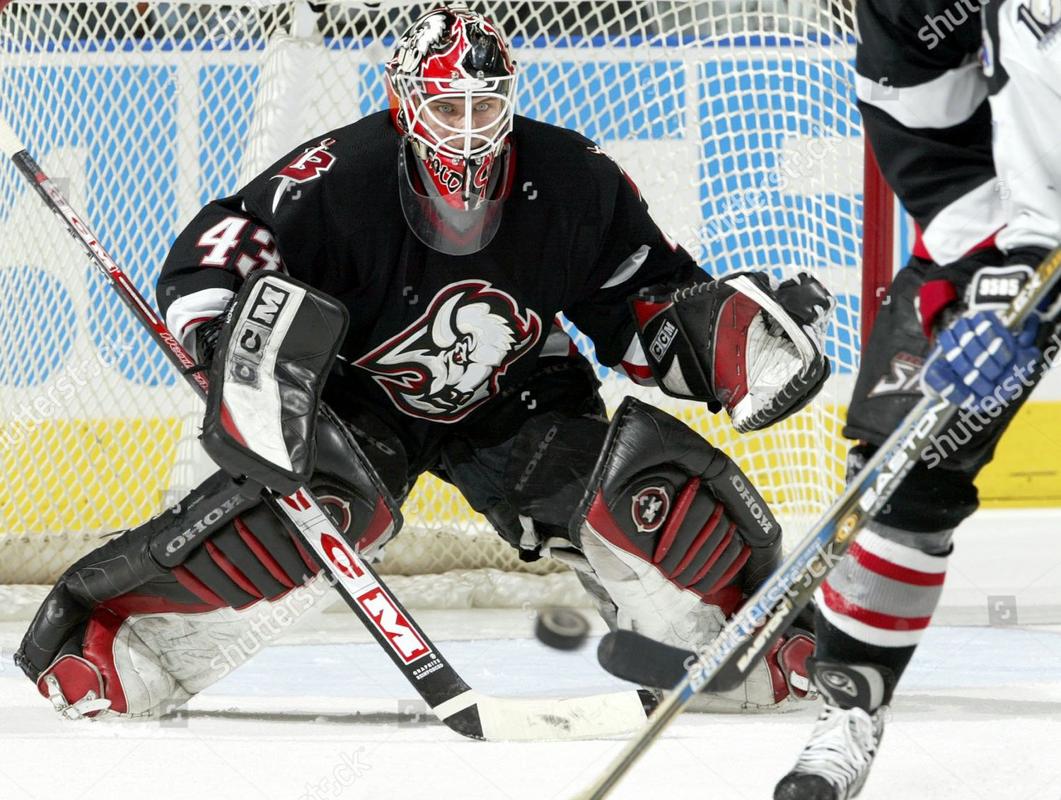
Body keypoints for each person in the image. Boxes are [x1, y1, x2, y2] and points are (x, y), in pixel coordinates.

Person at [15, 4, 833, 720]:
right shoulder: (339, 177)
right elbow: (222, 243)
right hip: (358, 398)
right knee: (314, 509)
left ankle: (732, 650)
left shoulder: (574, 179)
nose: (468, 127)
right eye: (448, 104)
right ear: (403, 102)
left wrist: (729, 335)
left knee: (650, 490)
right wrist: (220, 332)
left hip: (519, 394)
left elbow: (642, 299)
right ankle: (110, 638)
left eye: (486, 106)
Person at [774, 0, 1061, 797]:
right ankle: (848, 711)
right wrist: (1011, 277)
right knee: (903, 468)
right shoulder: (905, 10)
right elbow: (941, 171)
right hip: (1022, 226)